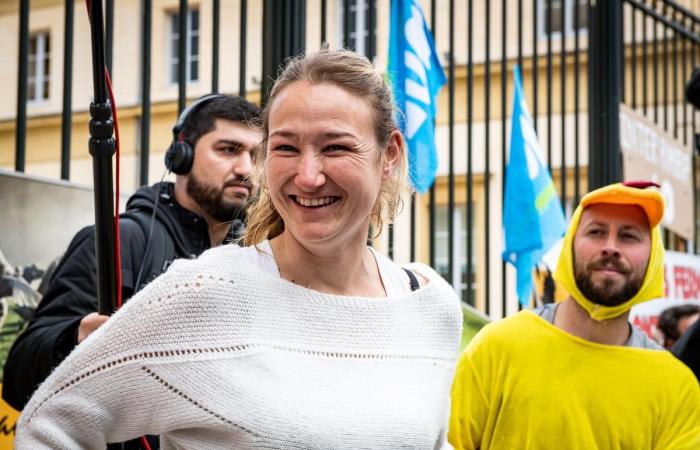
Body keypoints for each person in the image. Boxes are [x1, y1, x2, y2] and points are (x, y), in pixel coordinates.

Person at [14, 49, 462, 449]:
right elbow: (49, 423)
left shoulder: (432, 307)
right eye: (286, 147)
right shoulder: (205, 291)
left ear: (389, 155)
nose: (308, 176)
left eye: (336, 147)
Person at [4, 94, 261, 447]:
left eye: (256, 156)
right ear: (180, 156)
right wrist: (75, 338)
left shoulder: (254, 257)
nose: (246, 169)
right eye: (229, 149)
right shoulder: (118, 240)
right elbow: (20, 372)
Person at [449, 181, 700, 449]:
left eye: (629, 236)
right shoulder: (496, 348)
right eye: (596, 232)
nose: (611, 247)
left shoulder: (677, 386)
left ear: (653, 259)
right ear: (569, 246)